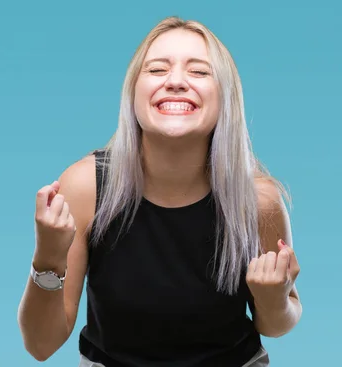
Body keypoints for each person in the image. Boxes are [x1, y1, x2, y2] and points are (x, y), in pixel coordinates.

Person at [17, 16, 302, 367]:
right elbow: (40, 346)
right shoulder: (85, 186)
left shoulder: (258, 202)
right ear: (132, 93)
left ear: (226, 97)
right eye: (157, 70)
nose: (176, 82)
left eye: (199, 72)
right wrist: (47, 255)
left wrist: (274, 299)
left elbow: (277, 324)